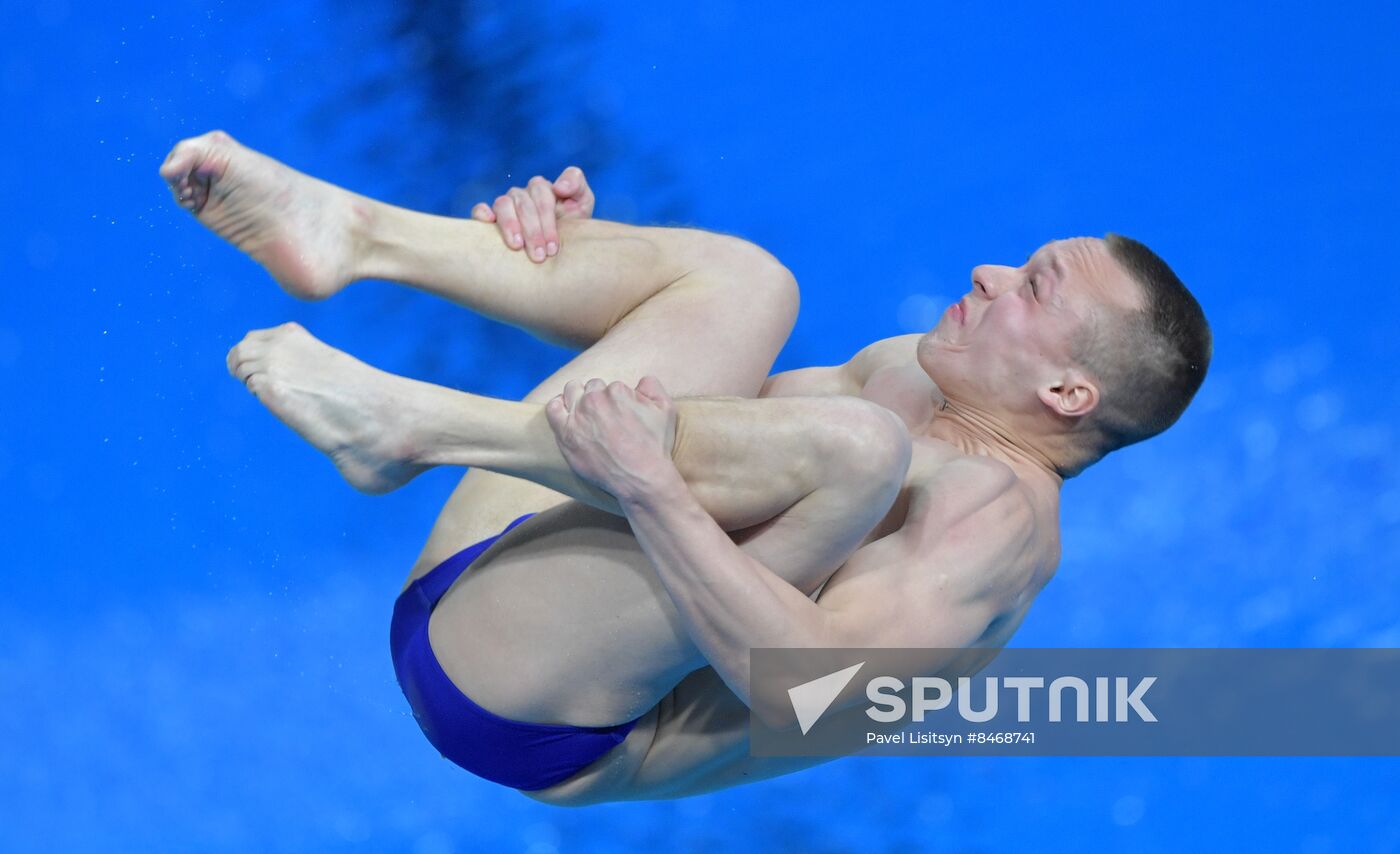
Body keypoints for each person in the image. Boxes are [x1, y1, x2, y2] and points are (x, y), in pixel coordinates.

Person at [160, 130, 1211, 804]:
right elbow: (678, 435)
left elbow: (797, 690)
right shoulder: (917, 375)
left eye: (1030, 287)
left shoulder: (993, 530)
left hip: (533, 707)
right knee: (746, 282)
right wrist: (580, 259)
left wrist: (653, 493)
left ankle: (414, 427)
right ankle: (355, 235)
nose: (988, 272)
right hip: (504, 568)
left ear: (1068, 395)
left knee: (853, 450)